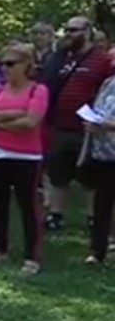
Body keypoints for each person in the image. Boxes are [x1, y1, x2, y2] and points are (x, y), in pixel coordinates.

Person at [0, 44, 49, 275]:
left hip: (26, 156)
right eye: (3, 64)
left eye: (10, 64)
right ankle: (0, 249)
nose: (5, 68)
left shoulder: (37, 90)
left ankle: (32, 257)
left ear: (26, 65)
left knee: (28, 205)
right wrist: (12, 115)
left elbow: (31, 122)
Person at [42, 16, 114, 231]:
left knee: (90, 175)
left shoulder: (101, 60)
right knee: (58, 172)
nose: (69, 34)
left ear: (87, 31)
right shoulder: (59, 58)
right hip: (60, 124)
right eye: (67, 30)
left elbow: (109, 92)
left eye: (74, 30)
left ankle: (93, 216)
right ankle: (56, 214)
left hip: (89, 128)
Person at [79, 71, 115, 265]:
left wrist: (107, 125)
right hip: (104, 153)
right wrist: (93, 122)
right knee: (102, 203)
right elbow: (100, 109)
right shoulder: (108, 82)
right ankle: (97, 250)